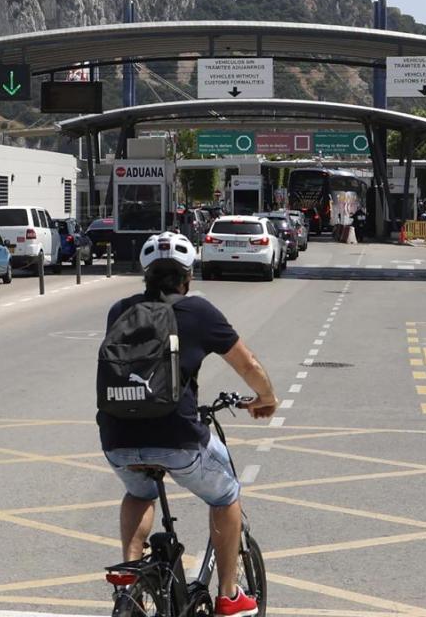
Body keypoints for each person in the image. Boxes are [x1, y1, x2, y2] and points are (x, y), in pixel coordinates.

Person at [98, 232, 278, 617]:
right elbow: (248, 365)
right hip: (177, 438)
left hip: (117, 438)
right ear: (188, 276)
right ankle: (229, 595)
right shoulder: (199, 312)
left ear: (145, 274)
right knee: (226, 494)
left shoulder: (120, 311)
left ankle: (129, 583)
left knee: (139, 492)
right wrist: (266, 398)